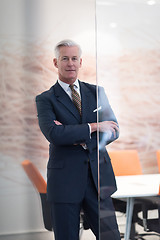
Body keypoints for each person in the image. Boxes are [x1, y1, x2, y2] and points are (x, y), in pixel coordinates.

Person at [36, 39, 121, 240]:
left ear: (80, 62)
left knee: (111, 237)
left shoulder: (97, 92)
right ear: (56, 63)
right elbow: (54, 134)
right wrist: (93, 127)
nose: (70, 63)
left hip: (98, 181)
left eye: (74, 58)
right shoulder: (45, 99)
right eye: (65, 58)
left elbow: (114, 130)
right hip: (65, 182)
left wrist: (72, 134)